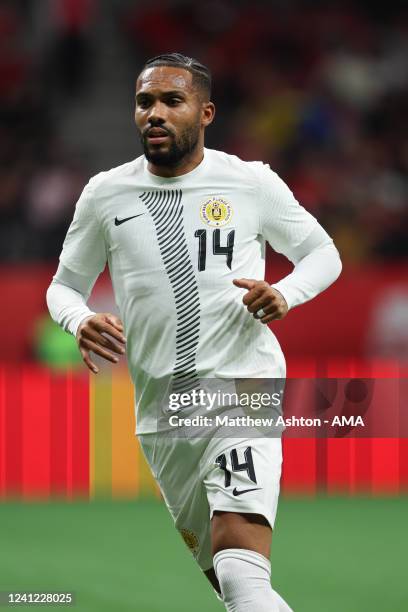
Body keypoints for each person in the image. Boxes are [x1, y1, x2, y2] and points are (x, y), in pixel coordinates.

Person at [47, 53, 342, 611]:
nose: (155, 113)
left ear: (205, 113)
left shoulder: (250, 182)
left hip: (241, 390)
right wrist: (78, 318)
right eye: (144, 102)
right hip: (163, 416)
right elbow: (63, 287)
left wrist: (286, 293)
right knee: (234, 591)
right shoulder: (105, 194)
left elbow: (323, 254)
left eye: (171, 101)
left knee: (240, 576)